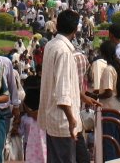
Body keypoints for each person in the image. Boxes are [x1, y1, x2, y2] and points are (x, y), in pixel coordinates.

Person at [38, 10, 83, 163]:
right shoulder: (63, 51)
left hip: (53, 118)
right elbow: (62, 92)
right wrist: (71, 120)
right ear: (75, 29)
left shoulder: (51, 45)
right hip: (63, 122)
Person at [90, 42, 120, 161]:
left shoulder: (108, 70)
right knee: (117, 142)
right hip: (119, 107)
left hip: (110, 109)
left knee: (109, 143)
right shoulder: (119, 65)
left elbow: (108, 92)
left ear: (103, 53)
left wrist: (95, 96)